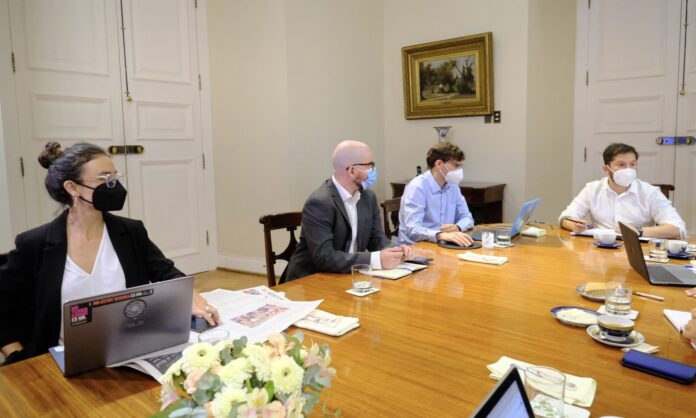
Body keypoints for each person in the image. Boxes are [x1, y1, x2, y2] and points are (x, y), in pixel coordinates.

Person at [0, 142, 219, 365]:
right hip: (60, 363)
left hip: (129, 353)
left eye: (115, 177)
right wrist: (19, 359)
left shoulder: (131, 231)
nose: (114, 186)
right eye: (104, 179)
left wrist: (190, 297)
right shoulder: (33, 244)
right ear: (72, 188)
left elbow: (168, 275)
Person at [283, 140, 413, 282]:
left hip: (347, 276)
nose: (373, 170)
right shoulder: (319, 203)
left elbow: (376, 239)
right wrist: (376, 259)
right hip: (309, 280)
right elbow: (324, 258)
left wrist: (396, 251)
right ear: (352, 171)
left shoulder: (368, 197)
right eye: (369, 165)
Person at [559, 143, 686, 239]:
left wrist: (639, 231)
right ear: (606, 169)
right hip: (600, 249)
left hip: (638, 250)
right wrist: (574, 225)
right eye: (621, 165)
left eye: (632, 164)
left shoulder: (650, 192)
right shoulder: (592, 189)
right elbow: (565, 217)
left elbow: (678, 228)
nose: (628, 169)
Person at [398, 142, 474, 246]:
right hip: (415, 248)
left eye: (460, 166)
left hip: (443, 244)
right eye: (456, 165)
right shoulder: (417, 187)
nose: (459, 170)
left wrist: (458, 227)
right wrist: (440, 235)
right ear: (439, 164)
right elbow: (413, 230)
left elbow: (467, 217)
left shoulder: (453, 186)